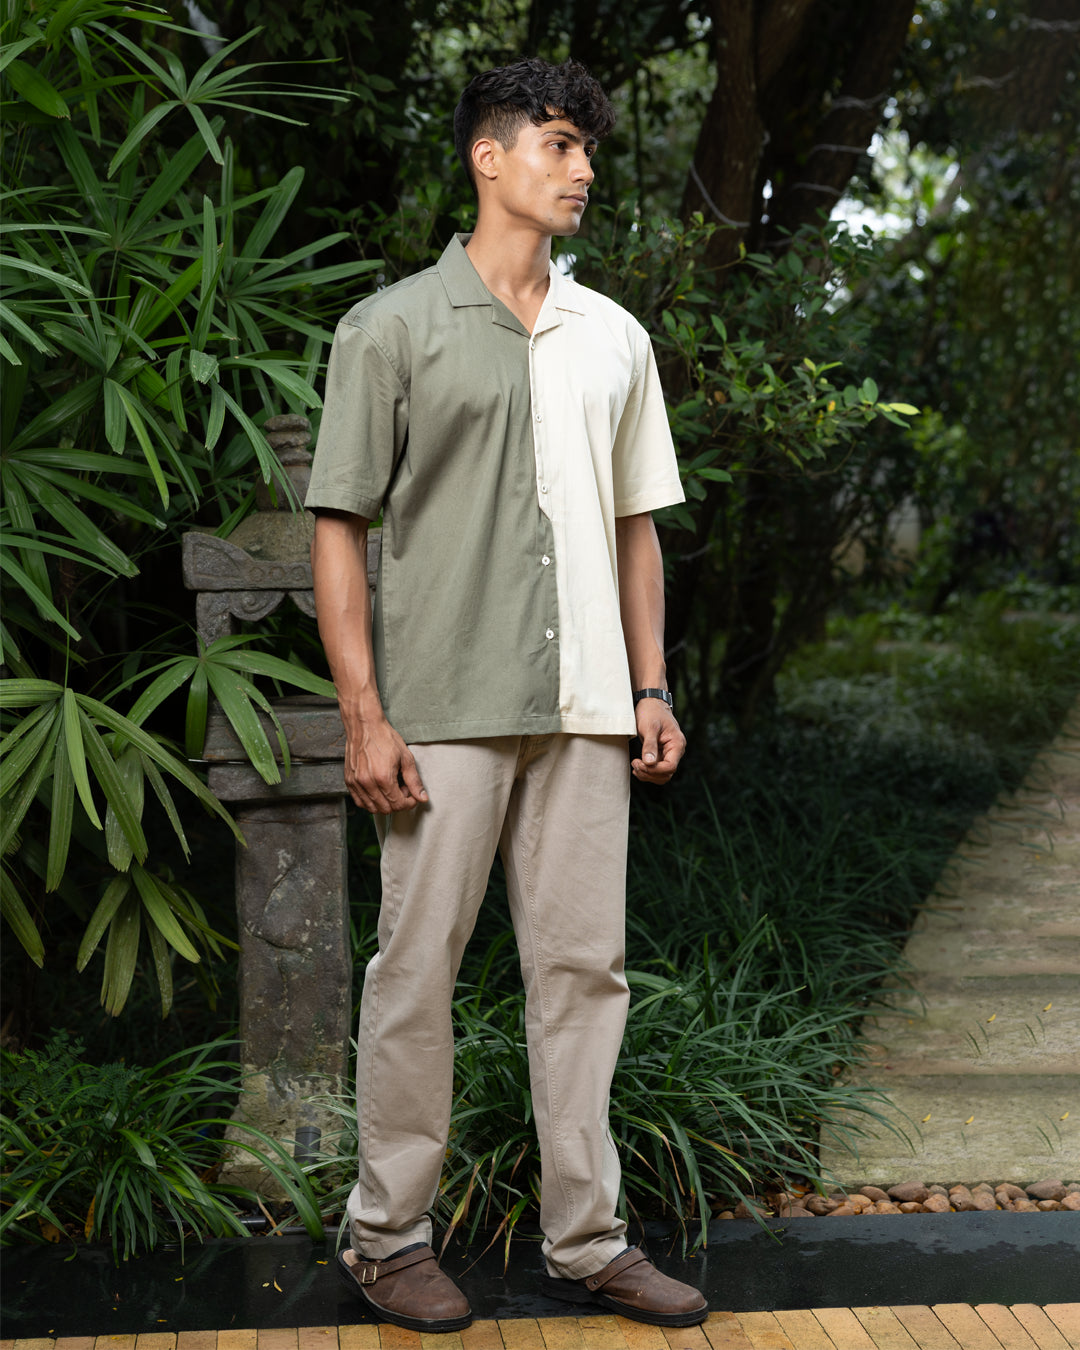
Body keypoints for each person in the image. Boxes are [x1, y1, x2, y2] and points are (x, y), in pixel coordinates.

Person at [306, 56, 708, 1333]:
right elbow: (337, 528)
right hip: (442, 711)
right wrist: (365, 714)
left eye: (589, 148)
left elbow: (638, 527)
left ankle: (587, 1242)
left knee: (585, 975)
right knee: (415, 970)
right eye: (557, 143)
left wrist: (650, 685)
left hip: (591, 708)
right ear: (489, 157)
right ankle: (387, 1238)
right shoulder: (392, 328)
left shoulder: (615, 338)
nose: (583, 167)